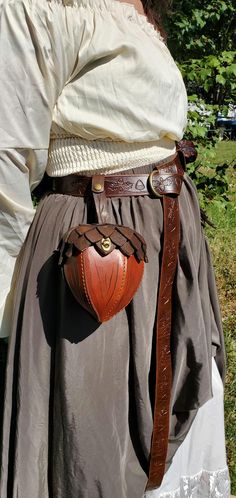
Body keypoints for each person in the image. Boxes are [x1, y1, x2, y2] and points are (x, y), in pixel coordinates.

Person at [0, 0, 230, 496]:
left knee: (181, 390)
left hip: (170, 230)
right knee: (96, 432)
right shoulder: (40, 6)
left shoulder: (141, 10)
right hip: (98, 243)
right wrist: (9, 301)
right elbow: (7, 153)